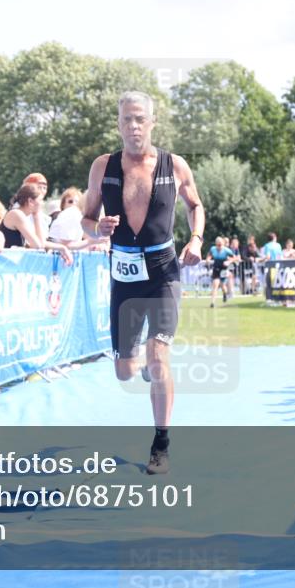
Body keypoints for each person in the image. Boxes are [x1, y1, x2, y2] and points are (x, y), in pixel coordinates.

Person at [81, 90, 204, 475]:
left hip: (164, 272)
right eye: (126, 120)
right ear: (118, 124)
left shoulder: (175, 164)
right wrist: (96, 227)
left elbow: (195, 205)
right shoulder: (103, 166)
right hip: (125, 278)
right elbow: (86, 217)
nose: (133, 126)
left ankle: (161, 444)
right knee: (125, 371)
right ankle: (145, 366)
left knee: (158, 358)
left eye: (139, 119)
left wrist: (197, 238)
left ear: (152, 121)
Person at [0, 183, 73, 263]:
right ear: (30, 201)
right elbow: (38, 246)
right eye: (40, 200)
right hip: (5, 264)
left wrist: (62, 248)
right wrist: (36, 216)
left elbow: (40, 242)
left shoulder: (23, 216)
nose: (42, 203)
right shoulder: (17, 214)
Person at [208, 236, 235, 307]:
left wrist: (229, 262)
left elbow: (234, 258)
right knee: (215, 285)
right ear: (216, 244)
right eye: (218, 245)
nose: (219, 246)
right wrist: (208, 259)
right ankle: (213, 302)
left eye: (220, 245)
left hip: (224, 269)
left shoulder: (226, 250)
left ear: (223, 244)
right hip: (216, 268)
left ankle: (225, 294)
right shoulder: (213, 249)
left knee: (222, 285)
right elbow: (209, 255)